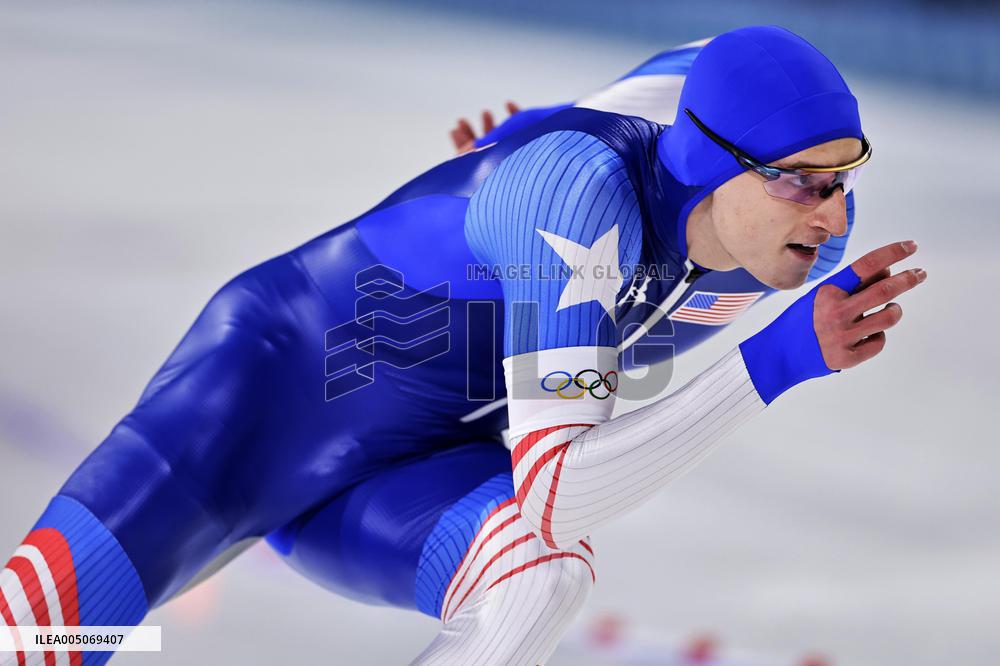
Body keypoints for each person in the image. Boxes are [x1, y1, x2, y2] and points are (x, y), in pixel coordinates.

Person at [0, 26, 925, 666]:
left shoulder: (803, 239)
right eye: (803, 184)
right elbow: (562, 490)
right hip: (264, 404)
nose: (834, 214)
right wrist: (777, 362)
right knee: (32, 642)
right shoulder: (575, 204)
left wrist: (511, 150)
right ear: (719, 162)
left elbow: (548, 520)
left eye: (845, 178)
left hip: (419, 471)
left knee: (539, 578)